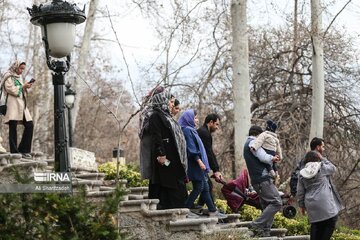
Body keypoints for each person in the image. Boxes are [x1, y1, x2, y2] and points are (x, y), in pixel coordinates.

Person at [179, 109, 226, 218]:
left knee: (205, 187)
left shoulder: (192, 130)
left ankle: (212, 211)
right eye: (195, 118)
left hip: (199, 164)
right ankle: (186, 209)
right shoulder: (187, 130)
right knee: (200, 187)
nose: (197, 120)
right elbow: (192, 148)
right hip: (195, 164)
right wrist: (200, 162)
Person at [148, 89, 188, 209]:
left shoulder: (166, 116)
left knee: (174, 178)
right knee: (167, 178)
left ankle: (178, 206)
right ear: (162, 101)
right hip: (164, 156)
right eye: (170, 101)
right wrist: (161, 154)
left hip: (173, 154)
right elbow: (156, 136)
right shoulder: (155, 116)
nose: (172, 104)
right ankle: (168, 207)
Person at [243, 125, 282, 237]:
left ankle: (265, 232)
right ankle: (256, 225)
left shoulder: (248, 143)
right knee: (276, 202)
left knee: (267, 206)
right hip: (262, 179)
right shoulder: (252, 143)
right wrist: (272, 158)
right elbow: (262, 156)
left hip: (259, 180)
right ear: (259, 135)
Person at [297, 149, 343, 240]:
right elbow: (333, 168)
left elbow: (300, 192)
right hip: (324, 201)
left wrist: (301, 205)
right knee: (331, 220)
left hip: (310, 203)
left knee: (316, 223)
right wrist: (323, 159)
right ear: (318, 159)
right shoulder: (322, 168)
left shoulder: (302, 173)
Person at [1, 61, 33, 159]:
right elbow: (10, 89)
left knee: (30, 125)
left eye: (23, 69)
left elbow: (20, 90)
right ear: (16, 67)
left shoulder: (19, 77)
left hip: (22, 105)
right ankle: (14, 151)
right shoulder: (8, 75)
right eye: (20, 68)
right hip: (12, 105)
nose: (22, 71)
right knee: (13, 127)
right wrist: (23, 87)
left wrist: (26, 87)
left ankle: (24, 149)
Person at [196, 113, 222, 208]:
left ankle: (199, 207)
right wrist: (216, 170)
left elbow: (210, 152)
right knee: (207, 186)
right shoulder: (204, 133)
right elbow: (209, 153)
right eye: (217, 124)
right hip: (197, 163)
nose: (217, 127)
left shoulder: (203, 132)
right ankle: (212, 209)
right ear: (211, 122)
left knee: (206, 186)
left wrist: (216, 169)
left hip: (199, 163)